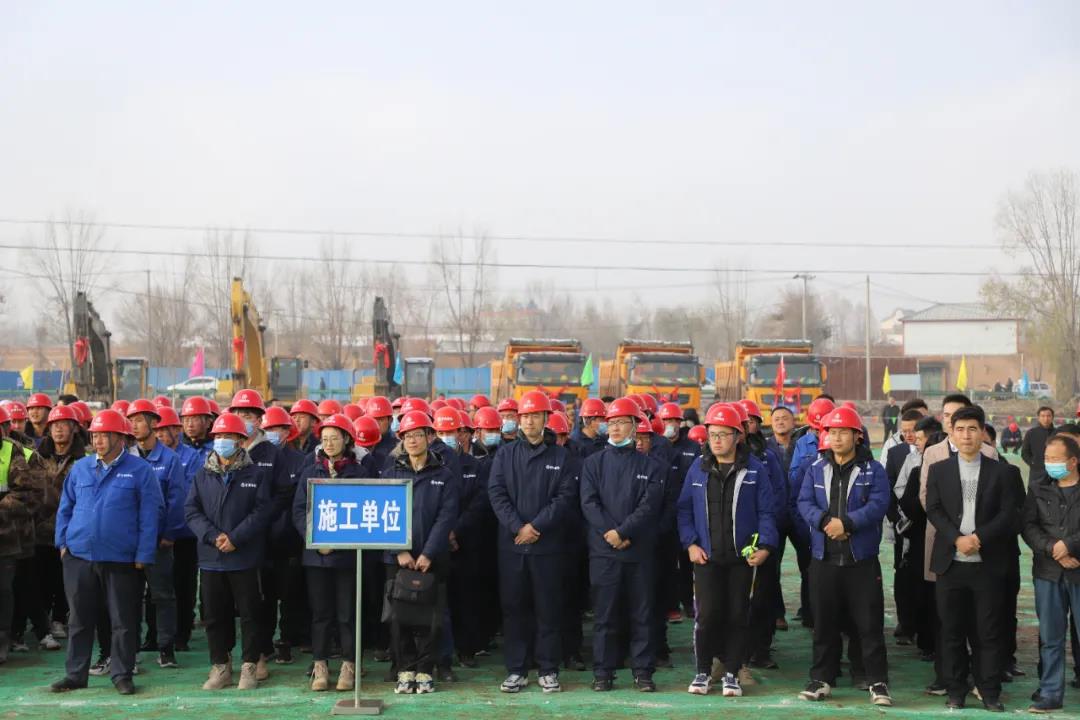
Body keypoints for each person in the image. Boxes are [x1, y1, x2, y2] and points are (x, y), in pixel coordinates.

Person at [49, 410, 162, 695]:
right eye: (95, 435)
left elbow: (151, 514)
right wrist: (63, 544)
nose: (97, 441)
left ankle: (122, 674)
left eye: (104, 435)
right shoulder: (81, 468)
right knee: (79, 619)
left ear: (120, 438)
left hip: (121, 559)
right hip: (79, 557)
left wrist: (144, 554)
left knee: (123, 620)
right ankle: (75, 674)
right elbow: (65, 508)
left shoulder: (140, 471)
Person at [677, 402, 776, 697]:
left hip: (741, 560)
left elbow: (767, 512)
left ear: (737, 436)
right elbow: (684, 510)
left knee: (737, 615)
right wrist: (690, 543)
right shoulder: (698, 468)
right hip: (706, 558)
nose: (717, 440)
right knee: (706, 615)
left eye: (723, 434)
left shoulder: (755, 469)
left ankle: (732, 672)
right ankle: (703, 671)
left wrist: (765, 546)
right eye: (712, 434)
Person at [796, 405, 892, 706]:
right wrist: (826, 522)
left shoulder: (872, 470)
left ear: (857, 436)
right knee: (824, 624)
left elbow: (879, 503)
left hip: (860, 561)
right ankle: (821, 679)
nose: (836, 438)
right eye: (832, 432)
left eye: (843, 432)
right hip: (824, 559)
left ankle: (877, 681)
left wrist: (848, 524)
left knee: (869, 624)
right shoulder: (815, 468)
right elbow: (804, 502)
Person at [926, 405, 1019, 712]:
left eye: (972, 429)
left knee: (988, 632)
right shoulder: (939, 470)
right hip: (950, 565)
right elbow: (934, 509)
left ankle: (989, 691)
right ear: (951, 433)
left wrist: (979, 538)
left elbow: (1009, 513)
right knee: (951, 632)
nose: (966, 435)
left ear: (983, 433)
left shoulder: (1002, 472)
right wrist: (957, 538)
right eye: (960, 429)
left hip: (987, 566)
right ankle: (956, 691)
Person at [488, 391, 579, 694]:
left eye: (535, 416)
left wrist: (536, 526)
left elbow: (565, 497)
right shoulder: (505, 455)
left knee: (548, 608)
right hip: (512, 545)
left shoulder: (560, 457)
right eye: (524, 416)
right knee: (514, 609)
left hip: (547, 546)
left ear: (545, 419)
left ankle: (548, 668)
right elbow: (497, 493)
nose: (529, 421)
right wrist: (518, 526)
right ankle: (517, 669)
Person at [184, 412, 273, 691]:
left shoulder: (255, 474)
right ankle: (220, 666)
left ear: (240, 440)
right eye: (218, 436)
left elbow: (262, 512)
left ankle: (249, 665)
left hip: (244, 557)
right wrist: (213, 537)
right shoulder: (203, 474)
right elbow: (191, 511)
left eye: (228, 436)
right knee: (214, 615)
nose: (222, 441)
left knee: (250, 614)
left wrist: (236, 538)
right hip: (212, 558)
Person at [580, 397, 663, 692]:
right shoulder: (593, 463)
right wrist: (611, 532)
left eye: (621, 422)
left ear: (635, 426)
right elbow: (589, 502)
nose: (614, 428)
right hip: (604, 552)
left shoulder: (651, 466)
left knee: (642, 615)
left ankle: (643, 672)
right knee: (605, 616)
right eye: (611, 423)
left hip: (638, 551)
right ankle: (603, 672)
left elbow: (649, 506)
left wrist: (625, 531)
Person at [381, 410, 459, 695]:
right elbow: (383, 513)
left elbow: (446, 517)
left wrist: (428, 553)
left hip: (432, 558)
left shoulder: (444, 475)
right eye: (407, 436)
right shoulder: (390, 473)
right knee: (398, 615)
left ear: (430, 436)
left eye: (418, 434)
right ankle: (405, 668)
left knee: (431, 616)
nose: (412, 440)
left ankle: (425, 669)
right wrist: (399, 550)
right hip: (397, 559)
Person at [292, 415, 367, 692]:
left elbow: (366, 508)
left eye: (335, 438)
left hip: (349, 556)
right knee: (320, 614)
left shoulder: (359, 473)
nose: (329, 444)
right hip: (317, 556)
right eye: (325, 439)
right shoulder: (311, 471)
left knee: (347, 614)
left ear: (347, 439)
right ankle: (320, 664)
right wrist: (314, 539)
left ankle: (349, 664)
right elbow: (299, 511)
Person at [14, 405, 81, 651]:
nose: (58, 429)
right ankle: (39, 625)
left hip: (71, 529)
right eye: (54, 425)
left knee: (64, 579)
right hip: (39, 529)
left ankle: (59, 619)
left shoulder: (84, 458)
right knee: (38, 579)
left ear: (74, 428)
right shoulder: (36, 456)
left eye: (64, 425)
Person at [125, 399, 187, 669]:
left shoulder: (169, 459)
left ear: (153, 423)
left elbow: (177, 500)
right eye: (131, 420)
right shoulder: (125, 457)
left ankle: (166, 648)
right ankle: (131, 650)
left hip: (159, 541)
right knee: (129, 596)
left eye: (140, 420)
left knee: (162, 595)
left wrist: (169, 534)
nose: (134, 425)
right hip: (128, 541)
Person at [1024, 435, 1080, 713]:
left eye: (1056, 459)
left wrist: (1069, 545)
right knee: (1051, 637)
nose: (1050, 464)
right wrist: (1052, 548)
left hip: (1077, 569)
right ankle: (1050, 693)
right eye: (1047, 459)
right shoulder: (1038, 488)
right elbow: (1028, 526)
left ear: (1073, 461)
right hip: (1048, 572)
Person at [152, 405, 201, 652]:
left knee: (183, 586)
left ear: (176, 430)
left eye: (164, 430)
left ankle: (181, 634)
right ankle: (154, 635)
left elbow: (188, 493)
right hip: (156, 532)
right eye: (157, 431)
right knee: (157, 588)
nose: (160, 435)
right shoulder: (150, 456)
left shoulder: (191, 457)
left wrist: (172, 527)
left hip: (183, 534)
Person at [0, 403, 42, 664]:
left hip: (5, 536)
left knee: (3, 590)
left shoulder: (12, 451)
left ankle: (3, 639)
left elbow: (26, 493)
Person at [1023, 406, 1057, 478]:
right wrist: (1033, 464)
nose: (1046, 419)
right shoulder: (1031, 433)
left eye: (1048, 416)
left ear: (1052, 417)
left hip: (1054, 471)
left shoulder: (1058, 433)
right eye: (1043, 416)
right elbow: (1024, 452)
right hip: (1036, 472)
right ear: (1038, 418)